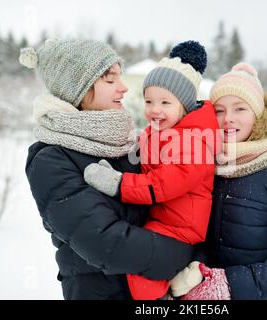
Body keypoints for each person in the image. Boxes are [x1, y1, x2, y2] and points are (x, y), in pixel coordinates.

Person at [20, 38, 194, 300]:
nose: (123, 88)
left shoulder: (127, 143)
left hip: (154, 293)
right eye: (110, 80)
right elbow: (107, 243)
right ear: (76, 89)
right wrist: (185, 252)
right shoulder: (51, 160)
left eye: (120, 78)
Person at [83, 41, 220, 300]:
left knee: (139, 269)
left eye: (165, 102)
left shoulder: (194, 141)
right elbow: (143, 164)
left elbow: (163, 183)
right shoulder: (157, 133)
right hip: (162, 219)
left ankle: (162, 300)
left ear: (185, 106)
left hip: (181, 227)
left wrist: (119, 184)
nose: (155, 110)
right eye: (149, 101)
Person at [170, 63, 267, 300]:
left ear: (258, 116)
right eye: (219, 110)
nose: (228, 118)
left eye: (240, 109)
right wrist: (196, 267)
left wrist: (227, 285)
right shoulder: (204, 170)